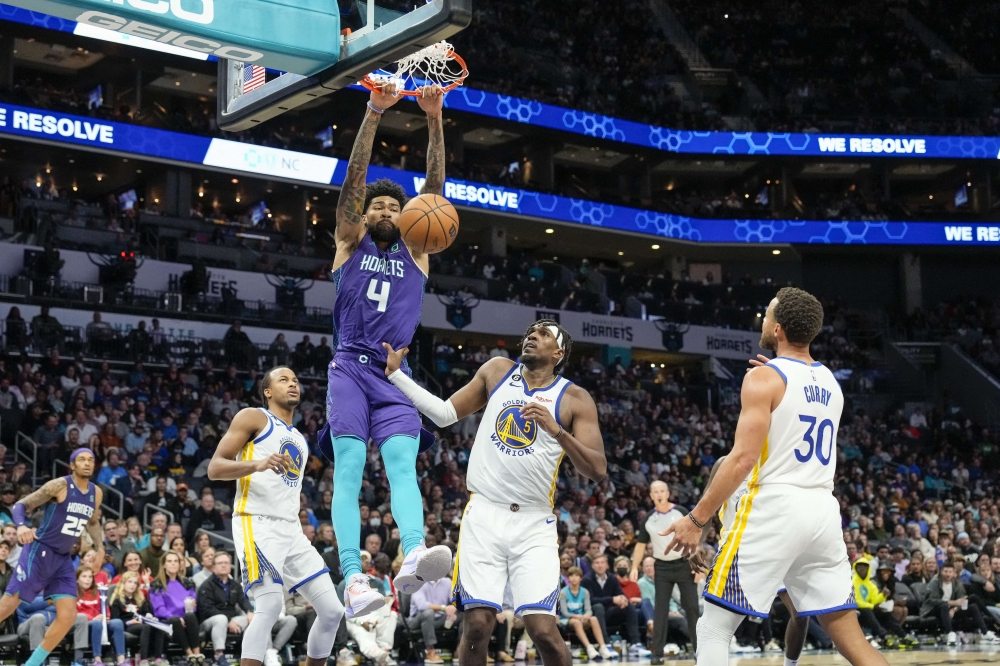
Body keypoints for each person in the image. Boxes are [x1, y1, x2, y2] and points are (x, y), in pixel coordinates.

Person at [660, 288, 888, 666]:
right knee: (854, 642)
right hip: (823, 511)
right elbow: (795, 407)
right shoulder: (831, 382)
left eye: (767, 314)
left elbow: (742, 459)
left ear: (778, 328)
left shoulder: (764, 378)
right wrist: (774, 375)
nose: (762, 320)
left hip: (776, 507)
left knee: (714, 628)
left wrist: (696, 519)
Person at [385, 319, 606, 666]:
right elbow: (444, 414)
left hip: (534, 523)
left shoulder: (575, 398)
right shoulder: (497, 371)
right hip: (484, 515)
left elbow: (597, 469)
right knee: (476, 625)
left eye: (544, 334)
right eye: (530, 331)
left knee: (544, 631)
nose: (532, 335)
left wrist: (557, 430)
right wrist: (398, 375)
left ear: (558, 353)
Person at [320, 78, 451, 618]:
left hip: (396, 373)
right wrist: (374, 112)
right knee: (349, 467)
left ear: (405, 216)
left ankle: (413, 550)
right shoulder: (349, 241)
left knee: (402, 465)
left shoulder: (418, 249)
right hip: (350, 367)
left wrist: (434, 117)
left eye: (392, 207)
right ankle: (353, 577)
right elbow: (354, 179)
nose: (382, 211)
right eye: (375, 205)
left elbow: (435, 193)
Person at [207, 366, 344, 666]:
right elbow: (215, 468)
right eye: (284, 380)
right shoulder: (253, 417)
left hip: (291, 530)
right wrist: (255, 464)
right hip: (256, 522)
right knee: (269, 607)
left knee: (333, 611)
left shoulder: (300, 439)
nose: (292, 383)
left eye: (295, 380)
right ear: (267, 391)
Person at [0, 448, 103, 666]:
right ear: (72, 465)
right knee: (7, 606)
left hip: (63, 558)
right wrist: (20, 527)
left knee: (67, 616)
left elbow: (92, 522)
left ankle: (32, 664)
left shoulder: (96, 493)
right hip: (40, 551)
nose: (87, 463)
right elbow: (21, 505)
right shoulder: (59, 485)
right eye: (81, 460)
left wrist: (101, 548)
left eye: (91, 460)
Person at [629, 480, 699, 658]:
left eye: (662, 491)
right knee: (660, 609)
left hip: (684, 563)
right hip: (662, 566)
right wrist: (634, 567)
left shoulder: (681, 512)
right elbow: (640, 545)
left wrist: (697, 565)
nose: (659, 494)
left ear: (668, 493)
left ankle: (700, 651)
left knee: (691, 608)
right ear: (651, 496)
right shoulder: (648, 519)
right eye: (655, 492)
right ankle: (657, 654)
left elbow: (694, 537)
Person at [196, 551, 255, 664]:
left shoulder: (234, 585)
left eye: (226, 563)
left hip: (232, 620)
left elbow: (243, 600)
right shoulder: (206, 585)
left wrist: (250, 612)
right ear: (213, 567)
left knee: (253, 620)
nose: (224, 565)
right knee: (221, 619)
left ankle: (248, 654)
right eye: (220, 563)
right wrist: (228, 621)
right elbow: (207, 609)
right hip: (209, 621)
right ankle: (219, 655)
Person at [920, 561, 994, 644]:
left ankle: (985, 633)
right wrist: (953, 603)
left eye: (950, 572)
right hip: (932, 609)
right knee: (943, 606)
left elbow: (961, 599)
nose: (948, 574)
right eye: (945, 572)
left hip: (950, 609)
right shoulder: (935, 582)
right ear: (941, 572)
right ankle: (950, 634)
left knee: (973, 606)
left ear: (953, 572)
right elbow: (932, 600)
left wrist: (954, 609)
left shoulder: (956, 583)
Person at [148, 551, 203, 662]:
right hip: (167, 621)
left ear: (179, 564)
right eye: (169, 561)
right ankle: (190, 654)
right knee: (175, 620)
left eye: (175, 561)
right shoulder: (157, 585)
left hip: (187, 619)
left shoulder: (188, 583)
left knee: (191, 616)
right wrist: (176, 618)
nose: (173, 564)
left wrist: (193, 605)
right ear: (164, 565)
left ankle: (198, 655)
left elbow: (193, 604)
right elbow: (159, 609)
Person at [110, 571, 165, 664]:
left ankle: (158, 658)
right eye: (130, 582)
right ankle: (144, 660)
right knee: (146, 627)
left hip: (141, 622)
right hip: (127, 625)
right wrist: (130, 622)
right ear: (123, 583)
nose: (132, 585)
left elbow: (146, 611)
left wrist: (148, 614)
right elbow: (115, 620)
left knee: (159, 627)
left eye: (135, 583)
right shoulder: (117, 600)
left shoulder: (139, 598)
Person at [559, 566, 613, 661]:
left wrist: (587, 615)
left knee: (593, 619)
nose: (574, 578)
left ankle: (603, 647)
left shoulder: (585, 592)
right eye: (571, 576)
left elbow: (588, 609)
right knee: (576, 622)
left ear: (581, 578)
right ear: (568, 578)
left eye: (576, 575)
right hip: (567, 620)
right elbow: (564, 612)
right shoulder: (563, 592)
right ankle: (589, 648)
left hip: (581, 619)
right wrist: (577, 616)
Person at [76, 566, 127, 665]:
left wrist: (106, 616)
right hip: (85, 623)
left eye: (90, 577)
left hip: (100, 620)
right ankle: (97, 660)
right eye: (84, 576)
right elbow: (74, 612)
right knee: (97, 624)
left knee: (117, 622)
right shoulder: (73, 593)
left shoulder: (98, 592)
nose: (88, 579)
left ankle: (121, 659)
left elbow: (105, 607)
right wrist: (92, 618)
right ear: (77, 579)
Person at [407, 575, 460, 664]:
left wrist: (454, 608)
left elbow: (455, 600)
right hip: (416, 620)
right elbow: (422, 605)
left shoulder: (447, 582)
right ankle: (430, 651)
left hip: (439, 619)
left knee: (463, 613)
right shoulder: (418, 583)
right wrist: (445, 608)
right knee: (429, 613)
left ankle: (460, 650)